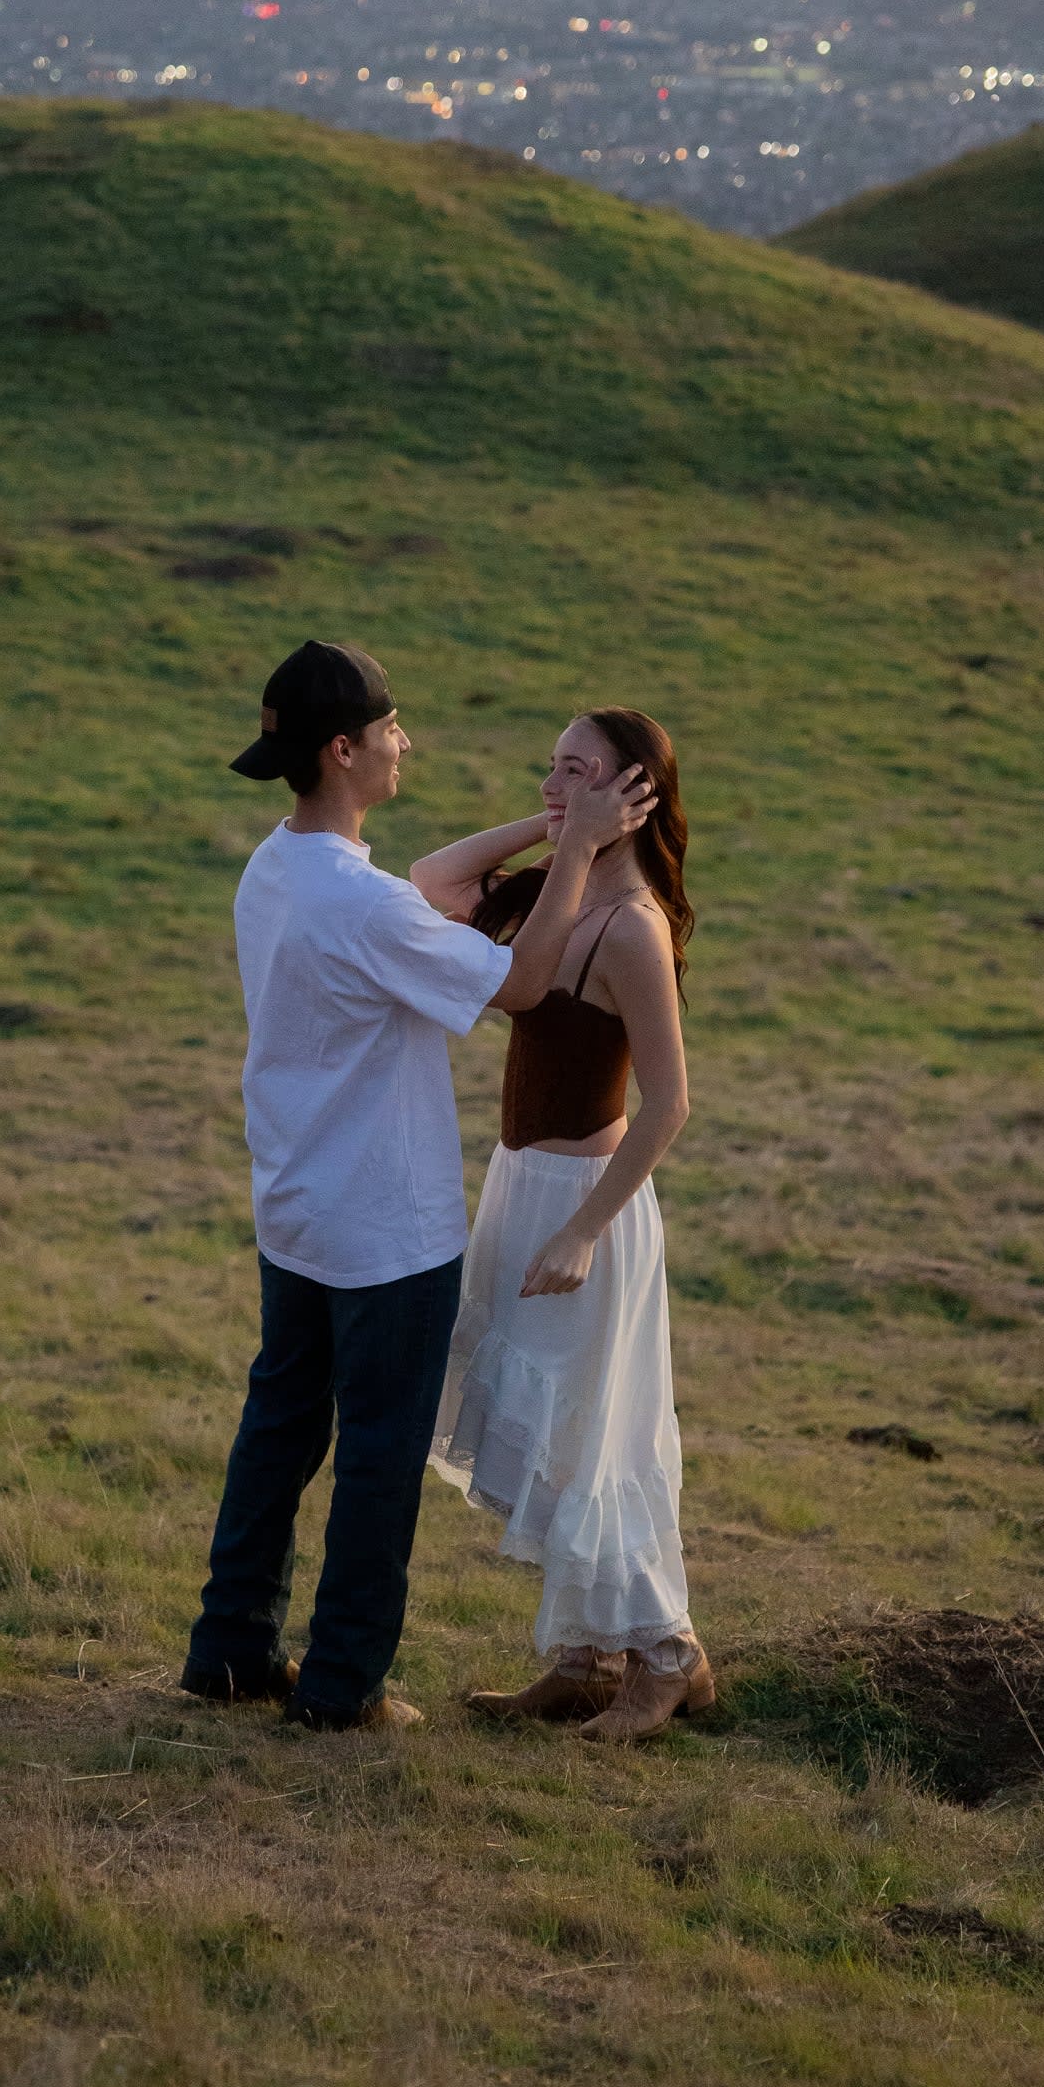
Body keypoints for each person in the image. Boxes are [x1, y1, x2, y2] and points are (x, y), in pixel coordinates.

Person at [181, 642, 658, 1733]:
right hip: (385, 1232)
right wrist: (581, 843)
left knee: (278, 1429)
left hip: (295, 1206)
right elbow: (525, 980)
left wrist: (555, 833)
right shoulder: (364, 908)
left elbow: (428, 895)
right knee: (379, 1460)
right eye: (392, 727)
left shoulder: (277, 866)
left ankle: (228, 1651)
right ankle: (344, 1689)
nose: (408, 741)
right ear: (342, 751)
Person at [414, 709, 710, 1744]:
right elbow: (431, 881)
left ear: (634, 791)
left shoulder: (630, 927)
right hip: (516, 1186)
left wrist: (583, 1230)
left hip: (588, 1209)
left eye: (576, 770)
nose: (551, 781)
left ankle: (665, 1661)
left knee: (598, 1436)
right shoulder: (560, 889)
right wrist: (556, 825)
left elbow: (668, 1103)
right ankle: (582, 1659)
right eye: (547, 765)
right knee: (553, 1434)